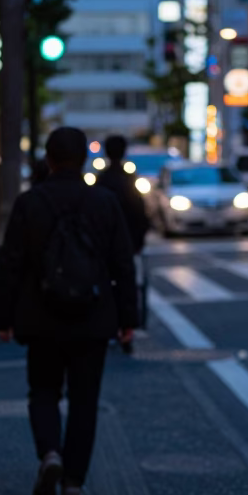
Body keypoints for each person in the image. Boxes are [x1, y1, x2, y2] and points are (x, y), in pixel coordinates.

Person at [0, 126, 137, 495]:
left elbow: (10, 263)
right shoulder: (104, 202)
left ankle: (50, 453)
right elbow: (123, 264)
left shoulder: (30, 203)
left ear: (50, 159)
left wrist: (2, 317)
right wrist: (128, 319)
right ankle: (73, 481)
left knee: (43, 390)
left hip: (41, 315)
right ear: (84, 160)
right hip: (93, 316)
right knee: (85, 400)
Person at [96, 134, 149, 349]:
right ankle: (127, 329)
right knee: (128, 285)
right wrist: (138, 241)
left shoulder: (101, 180)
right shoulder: (130, 180)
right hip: (127, 242)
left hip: (104, 244)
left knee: (106, 286)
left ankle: (110, 326)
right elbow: (140, 213)